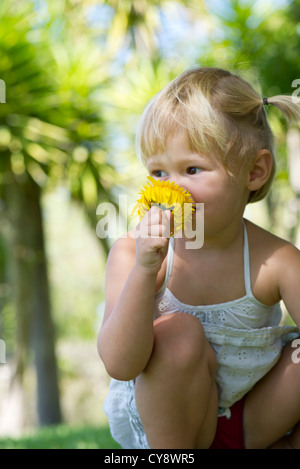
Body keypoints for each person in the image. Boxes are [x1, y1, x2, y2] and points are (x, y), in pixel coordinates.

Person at [98, 67, 300, 449]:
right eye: (158, 172)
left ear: (254, 172)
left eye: (191, 169)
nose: (171, 187)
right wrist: (144, 273)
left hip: (250, 421)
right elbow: (119, 365)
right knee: (177, 333)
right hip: (170, 427)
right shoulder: (131, 253)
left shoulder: (278, 261)